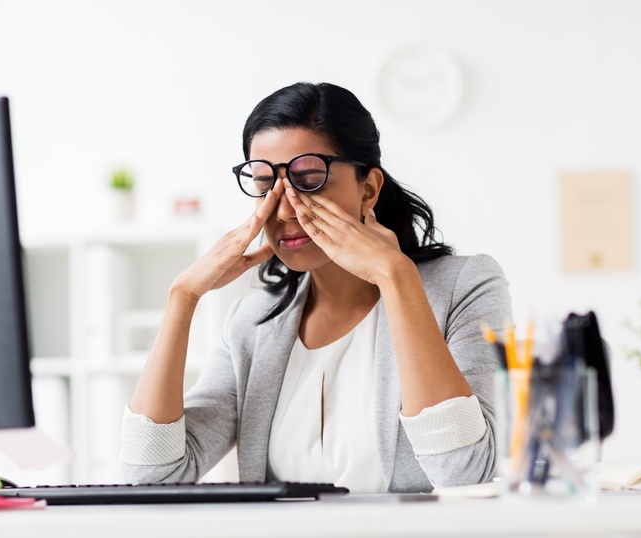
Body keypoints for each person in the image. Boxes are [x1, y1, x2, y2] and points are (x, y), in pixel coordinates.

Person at [120, 82, 512, 493]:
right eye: (265, 183)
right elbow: (153, 476)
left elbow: (465, 472)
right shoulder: (252, 325)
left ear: (368, 188)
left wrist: (396, 278)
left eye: (309, 179)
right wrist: (182, 298)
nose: (285, 209)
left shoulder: (464, 287)